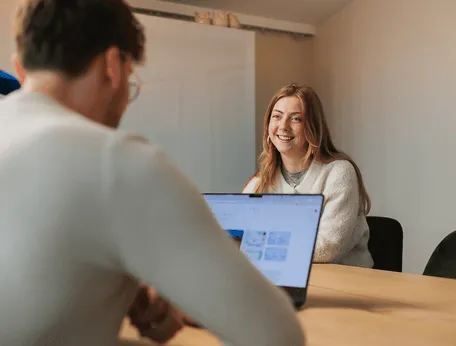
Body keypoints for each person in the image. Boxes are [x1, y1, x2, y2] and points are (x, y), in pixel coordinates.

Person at [0, 1, 305, 346]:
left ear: (20, 71)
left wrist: (114, 286)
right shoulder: (117, 162)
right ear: (114, 66)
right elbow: (278, 335)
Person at [244, 83, 374, 268]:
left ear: (312, 127)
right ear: (268, 126)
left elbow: (327, 248)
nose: (283, 126)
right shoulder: (259, 183)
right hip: (286, 279)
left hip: (345, 285)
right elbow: (239, 242)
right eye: (277, 117)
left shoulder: (339, 173)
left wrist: (263, 245)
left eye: (296, 119)